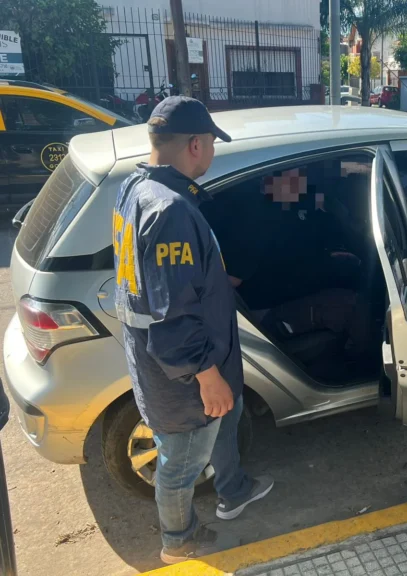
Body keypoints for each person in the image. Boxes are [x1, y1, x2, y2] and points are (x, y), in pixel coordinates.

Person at [112, 96, 274, 564]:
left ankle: (229, 491)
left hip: (162, 364)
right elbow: (172, 315)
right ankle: (178, 540)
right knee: (179, 467)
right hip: (182, 379)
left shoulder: (133, 188)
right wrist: (207, 375)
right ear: (197, 145)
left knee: (191, 447)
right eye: (212, 146)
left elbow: (157, 284)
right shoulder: (171, 212)